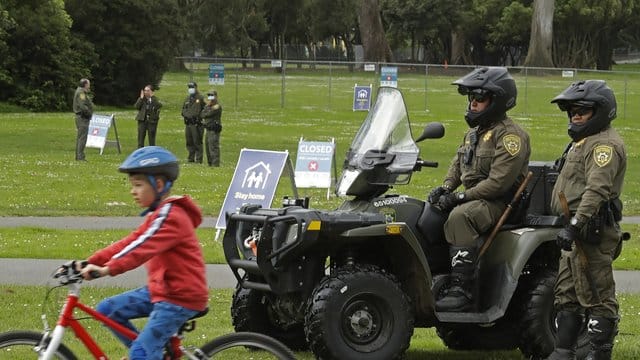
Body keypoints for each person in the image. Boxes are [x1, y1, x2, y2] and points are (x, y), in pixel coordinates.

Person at [77, 146, 209, 360]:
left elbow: (140, 248)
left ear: (158, 184)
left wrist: (107, 269)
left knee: (140, 354)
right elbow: (129, 242)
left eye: (138, 185)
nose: (133, 191)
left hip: (179, 297)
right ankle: (154, 353)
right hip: (162, 289)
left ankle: (146, 354)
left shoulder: (171, 217)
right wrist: (89, 262)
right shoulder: (158, 215)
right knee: (107, 310)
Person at [428, 67, 531, 312]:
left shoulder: (510, 137)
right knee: (426, 212)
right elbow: (457, 166)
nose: (473, 104)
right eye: (471, 98)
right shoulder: (473, 134)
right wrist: (444, 189)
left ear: (497, 101)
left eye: (480, 99)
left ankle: (462, 290)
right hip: (476, 198)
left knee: (460, 217)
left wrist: (459, 197)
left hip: (498, 202)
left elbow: (498, 183)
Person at [546, 80, 626, 360]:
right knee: (567, 294)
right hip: (575, 233)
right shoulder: (581, 142)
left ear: (600, 111)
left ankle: (599, 354)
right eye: (571, 110)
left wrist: (575, 224)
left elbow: (597, 190)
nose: (575, 115)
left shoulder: (604, 146)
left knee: (598, 295)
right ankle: (562, 352)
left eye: (583, 110)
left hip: (591, 232)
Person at [181, 81, 205, 163]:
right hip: (188, 123)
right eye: (189, 87)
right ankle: (190, 158)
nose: (190, 89)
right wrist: (187, 115)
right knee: (189, 141)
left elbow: (204, 110)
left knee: (197, 141)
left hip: (197, 124)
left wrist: (200, 117)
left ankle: (199, 159)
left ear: (196, 87)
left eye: (192, 87)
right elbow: (183, 109)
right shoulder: (187, 99)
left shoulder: (200, 98)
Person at [72, 78, 94, 161]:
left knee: (80, 137)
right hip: (82, 118)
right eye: (88, 84)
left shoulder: (80, 92)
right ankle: (80, 157)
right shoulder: (81, 93)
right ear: (85, 84)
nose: (89, 86)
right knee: (82, 138)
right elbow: (83, 106)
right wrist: (89, 113)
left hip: (80, 117)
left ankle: (78, 156)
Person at [201, 90, 222, 166]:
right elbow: (202, 114)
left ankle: (215, 164)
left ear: (216, 96)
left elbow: (209, 113)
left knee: (213, 147)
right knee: (207, 147)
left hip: (214, 129)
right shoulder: (208, 106)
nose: (210, 97)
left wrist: (209, 108)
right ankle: (210, 163)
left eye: (212, 95)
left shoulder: (217, 106)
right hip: (208, 128)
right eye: (209, 95)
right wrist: (208, 107)